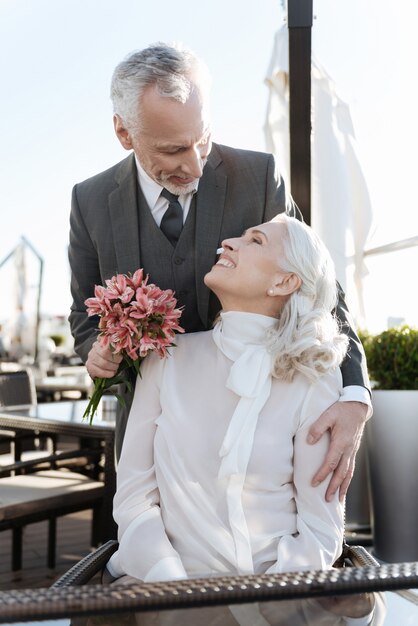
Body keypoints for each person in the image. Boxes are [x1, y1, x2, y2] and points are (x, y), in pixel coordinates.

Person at [68, 42, 371, 500]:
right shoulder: (89, 202)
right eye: (172, 150)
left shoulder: (257, 175)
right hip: (150, 447)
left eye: (203, 138)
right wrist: (97, 352)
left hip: (259, 438)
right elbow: (84, 318)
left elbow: (320, 286)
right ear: (124, 133)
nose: (194, 164)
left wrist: (354, 393)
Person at [105, 214, 357, 585]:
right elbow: (133, 502)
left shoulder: (314, 378)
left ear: (284, 281)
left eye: (255, 241)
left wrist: (265, 603)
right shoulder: (165, 358)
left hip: (280, 598)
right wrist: (176, 591)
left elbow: (320, 533)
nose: (228, 242)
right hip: (161, 590)